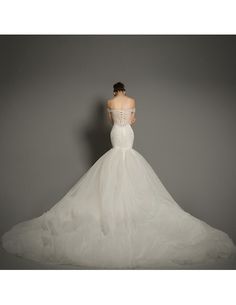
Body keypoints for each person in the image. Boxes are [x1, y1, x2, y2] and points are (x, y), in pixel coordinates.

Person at [1, 82, 236, 269]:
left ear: (115, 91)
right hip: (128, 134)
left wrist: (117, 116)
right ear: (125, 90)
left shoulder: (110, 102)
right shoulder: (131, 101)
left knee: (113, 168)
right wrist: (128, 118)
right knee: (129, 166)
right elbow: (132, 120)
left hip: (116, 133)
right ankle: (126, 216)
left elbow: (111, 121)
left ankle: (114, 216)